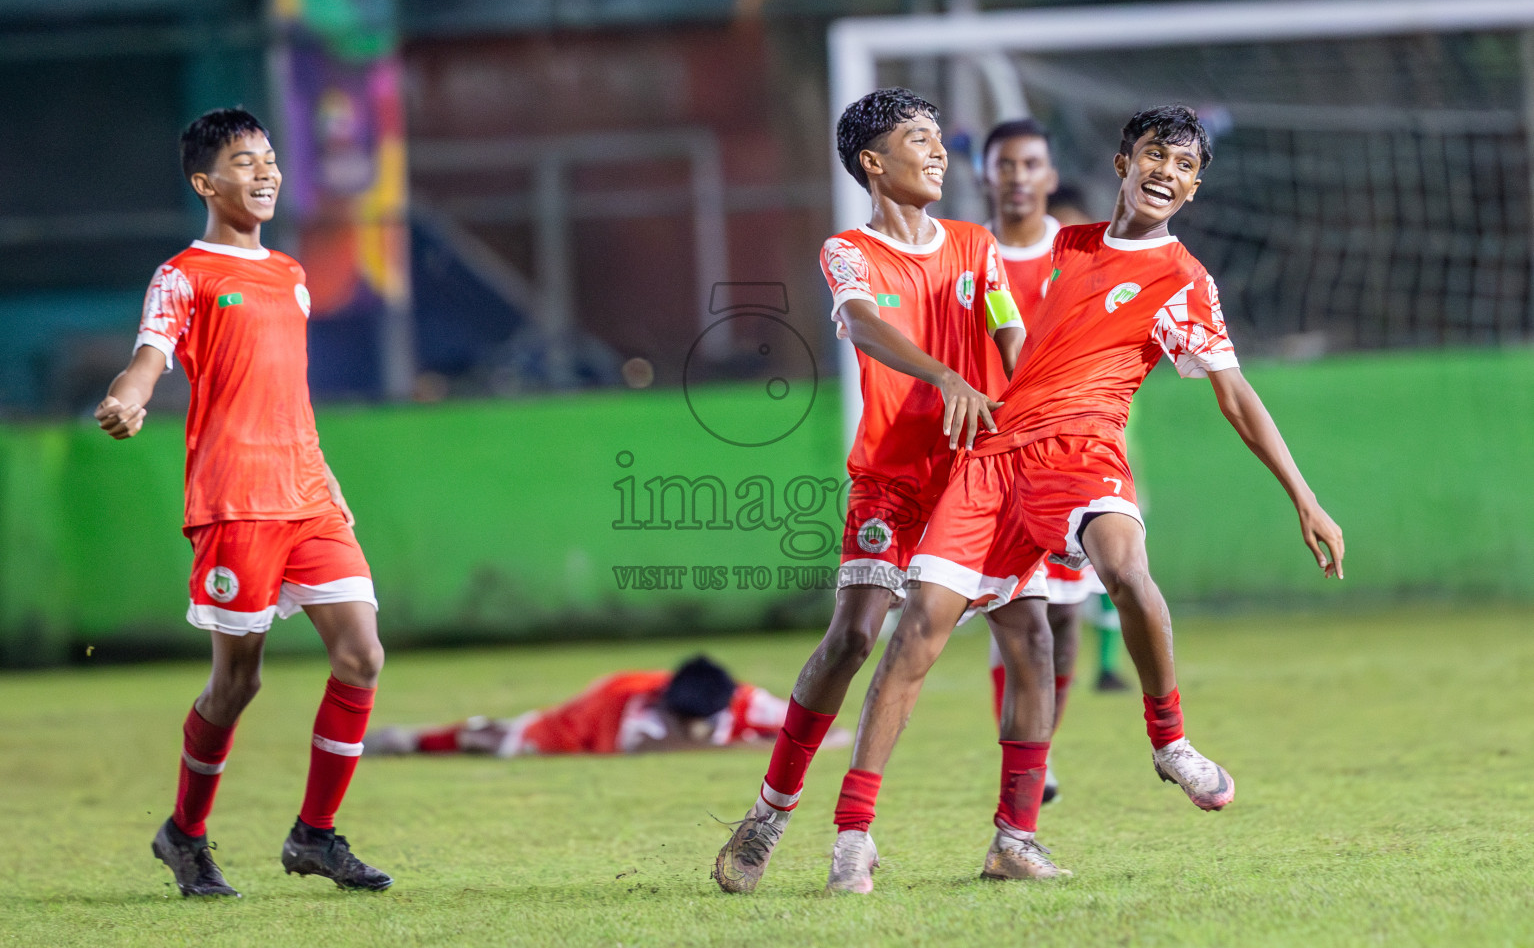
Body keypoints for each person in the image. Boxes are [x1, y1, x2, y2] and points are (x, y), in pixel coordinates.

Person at [822, 104, 1346, 891]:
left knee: (1125, 569)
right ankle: (855, 837)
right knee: (916, 634)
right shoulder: (1059, 247)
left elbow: (1235, 395)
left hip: (1083, 451)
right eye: (1153, 154)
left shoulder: (1183, 281)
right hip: (995, 458)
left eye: (1183, 165)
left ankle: (1169, 741)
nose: (1165, 171)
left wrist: (1305, 498)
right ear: (1122, 164)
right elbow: (980, 265)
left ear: (1194, 188)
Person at [711, 88, 1043, 894]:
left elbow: (1010, 330)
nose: (937, 153)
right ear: (872, 161)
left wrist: (1039, 390)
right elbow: (861, 322)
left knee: (1033, 639)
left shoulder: (976, 247)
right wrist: (942, 373)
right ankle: (771, 814)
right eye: (919, 139)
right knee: (855, 637)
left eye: (938, 140)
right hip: (892, 484)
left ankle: (1015, 837)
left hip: (976, 478)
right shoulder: (849, 252)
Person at [95, 108, 392, 897]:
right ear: (205, 183)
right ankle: (184, 834)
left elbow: (287, 392)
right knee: (238, 684)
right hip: (236, 503)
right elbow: (150, 355)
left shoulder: (291, 275)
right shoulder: (184, 273)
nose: (264, 172)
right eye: (243, 161)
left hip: (307, 495)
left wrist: (324, 473)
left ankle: (315, 837)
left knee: (362, 654)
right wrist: (128, 397)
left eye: (268, 158)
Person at [977, 119, 1126, 808]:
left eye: (1029, 163)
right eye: (1004, 165)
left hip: (1063, 456)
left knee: (1066, 616)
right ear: (986, 174)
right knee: (1014, 610)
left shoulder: (1077, 258)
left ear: (1047, 173)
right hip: (987, 457)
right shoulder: (964, 252)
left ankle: (1044, 750)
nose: (1016, 177)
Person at [363, 655, 836, 757]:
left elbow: (819, 731)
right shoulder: (623, 699)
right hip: (579, 727)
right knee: (496, 739)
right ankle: (413, 739)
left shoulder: (751, 706)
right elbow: (621, 741)